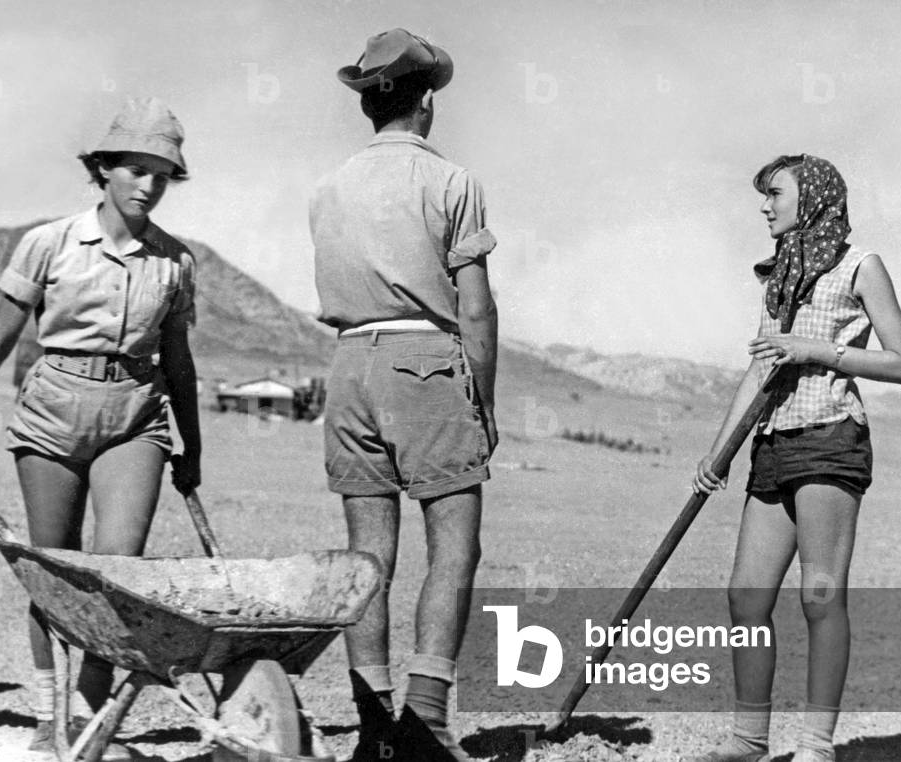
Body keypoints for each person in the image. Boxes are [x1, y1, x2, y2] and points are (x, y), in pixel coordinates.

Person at [0, 97, 201, 759]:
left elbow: (179, 360)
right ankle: (48, 718)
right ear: (104, 169)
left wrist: (193, 446)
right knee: (56, 572)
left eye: (162, 175)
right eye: (136, 170)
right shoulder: (50, 243)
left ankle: (89, 718)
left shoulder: (175, 261)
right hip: (52, 415)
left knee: (116, 575)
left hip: (135, 418)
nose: (148, 186)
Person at [309, 29, 498, 762]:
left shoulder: (329, 186)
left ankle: (373, 728)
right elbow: (475, 308)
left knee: (368, 557)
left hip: (347, 365)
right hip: (424, 362)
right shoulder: (450, 181)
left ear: (369, 105)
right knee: (454, 546)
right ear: (425, 104)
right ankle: (426, 721)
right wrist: (483, 400)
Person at [690, 155, 901, 762]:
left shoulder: (860, 266)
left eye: (775, 193)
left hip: (829, 438)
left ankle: (817, 747)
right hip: (772, 443)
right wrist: (717, 454)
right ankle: (748, 742)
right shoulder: (781, 272)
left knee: (819, 596)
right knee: (746, 598)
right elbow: (759, 369)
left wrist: (815, 349)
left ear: (811, 198)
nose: (765, 206)